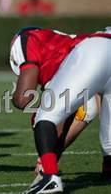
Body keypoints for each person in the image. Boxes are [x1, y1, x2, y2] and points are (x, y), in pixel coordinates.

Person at [9, 27, 111, 193]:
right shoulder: (57, 49)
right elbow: (70, 118)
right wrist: (50, 157)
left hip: (95, 50)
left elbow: (23, 100)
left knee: (44, 117)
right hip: (104, 45)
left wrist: (15, 96)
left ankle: (49, 177)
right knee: (109, 144)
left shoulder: (25, 39)